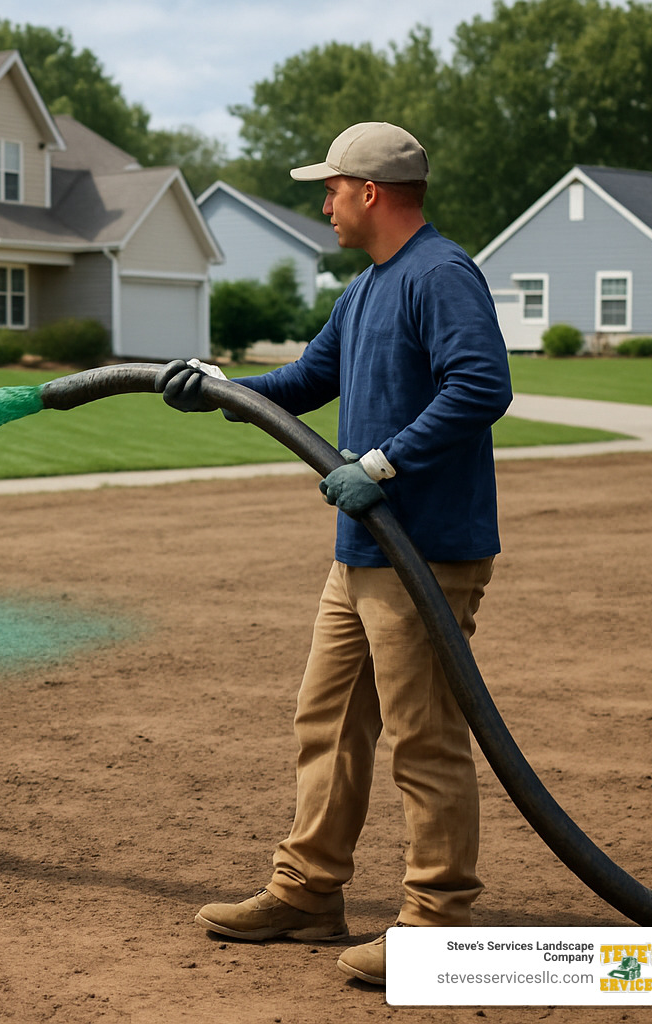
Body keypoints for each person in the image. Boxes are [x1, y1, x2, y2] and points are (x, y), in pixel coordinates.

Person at [156, 121, 513, 986]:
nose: (324, 205)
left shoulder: (439, 273)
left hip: (424, 552)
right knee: (327, 722)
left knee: (423, 737)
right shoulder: (366, 290)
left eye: (331, 189)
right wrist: (217, 388)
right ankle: (309, 892)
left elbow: (482, 384)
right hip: (360, 552)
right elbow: (306, 383)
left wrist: (384, 462)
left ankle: (436, 924)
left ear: (370, 192)